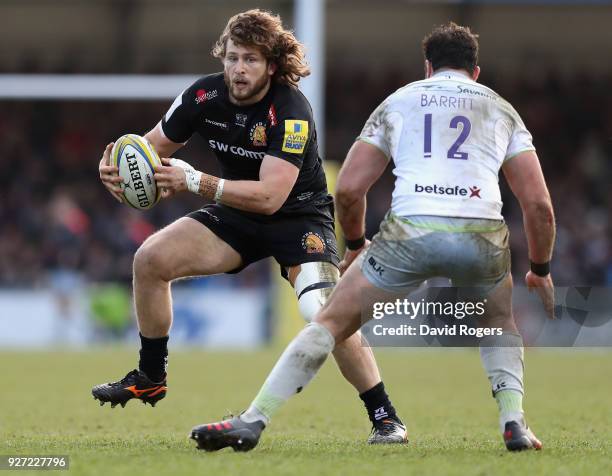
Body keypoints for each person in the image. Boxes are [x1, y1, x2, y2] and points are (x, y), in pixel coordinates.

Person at [192, 22, 556, 452]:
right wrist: (539, 269)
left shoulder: (399, 101)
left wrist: (358, 242)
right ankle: (513, 422)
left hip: (410, 232)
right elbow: (538, 206)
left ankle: (253, 420)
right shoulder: (502, 109)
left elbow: (347, 189)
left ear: (427, 67)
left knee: (329, 323)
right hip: (480, 234)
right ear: (475, 72)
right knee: (498, 324)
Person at [92, 9, 406, 445]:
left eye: (251, 60)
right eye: (233, 58)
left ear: (272, 65)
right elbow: (148, 150)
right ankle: (150, 376)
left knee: (323, 313)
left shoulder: (291, 110)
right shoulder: (201, 97)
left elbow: (270, 197)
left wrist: (194, 181)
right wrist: (118, 174)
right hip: (236, 214)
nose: (239, 69)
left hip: (299, 217)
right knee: (150, 259)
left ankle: (385, 416)